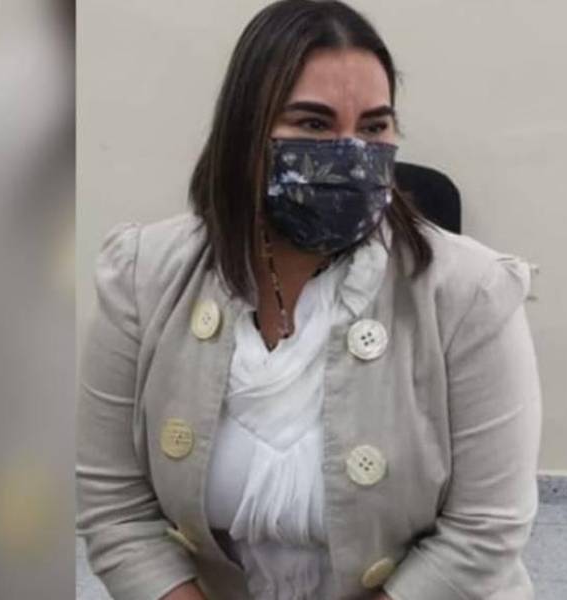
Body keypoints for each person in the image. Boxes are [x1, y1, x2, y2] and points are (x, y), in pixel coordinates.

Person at [76, 1, 542, 599]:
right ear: (245, 133)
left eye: (373, 127)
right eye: (314, 124)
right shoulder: (141, 274)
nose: (351, 154)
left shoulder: (472, 291)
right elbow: (114, 508)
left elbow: (485, 532)